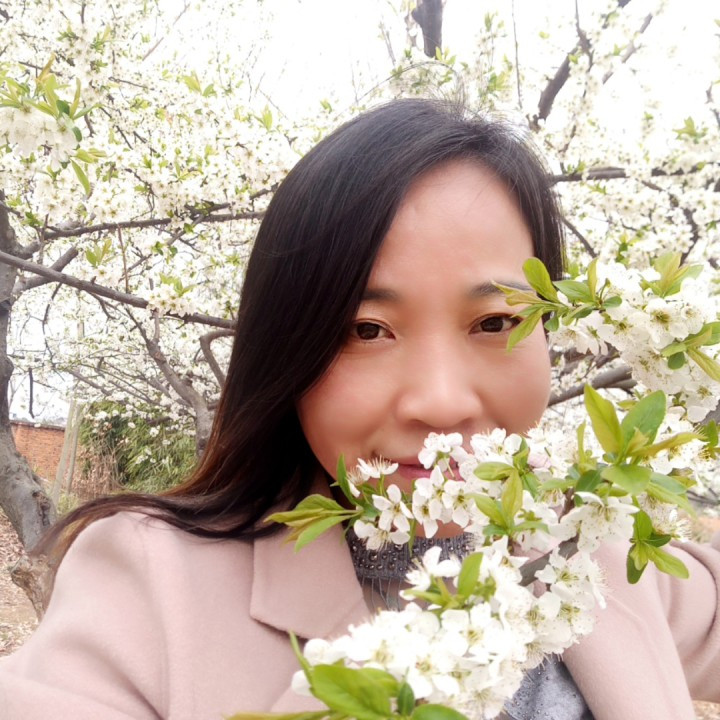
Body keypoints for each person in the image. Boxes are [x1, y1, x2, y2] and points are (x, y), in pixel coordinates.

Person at [0, 99, 718, 720]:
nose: (441, 402)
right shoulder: (151, 587)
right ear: (289, 346)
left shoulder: (590, 551)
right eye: (366, 331)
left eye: (496, 322)